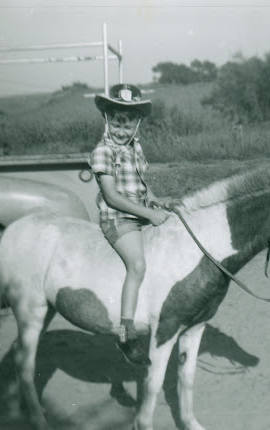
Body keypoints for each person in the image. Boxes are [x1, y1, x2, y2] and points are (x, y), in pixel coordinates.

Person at [89, 83, 174, 367]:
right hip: (118, 216)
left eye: (128, 127)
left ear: (137, 125)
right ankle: (126, 333)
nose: (121, 132)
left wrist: (155, 201)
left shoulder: (135, 147)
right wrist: (148, 215)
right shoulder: (103, 152)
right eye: (116, 125)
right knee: (137, 265)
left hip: (137, 211)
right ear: (107, 121)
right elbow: (112, 196)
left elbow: (141, 185)